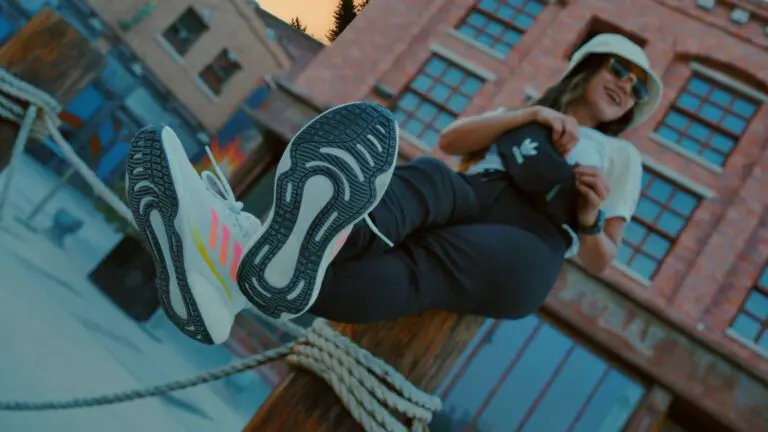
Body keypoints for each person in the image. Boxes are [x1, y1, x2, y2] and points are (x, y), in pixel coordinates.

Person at [125, 33, 663, 345]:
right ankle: (230, 282)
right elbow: (453, 140)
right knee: (429, 177)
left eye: (637, 89)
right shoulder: (530, 113)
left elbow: (600, 260)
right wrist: (531, 113)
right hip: (475, 192)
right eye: (620, 69)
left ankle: (235, 253)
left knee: (425, 262)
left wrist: (590, 213)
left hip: (535, 241)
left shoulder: (623, 157)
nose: (626, 87)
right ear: (586, 67)